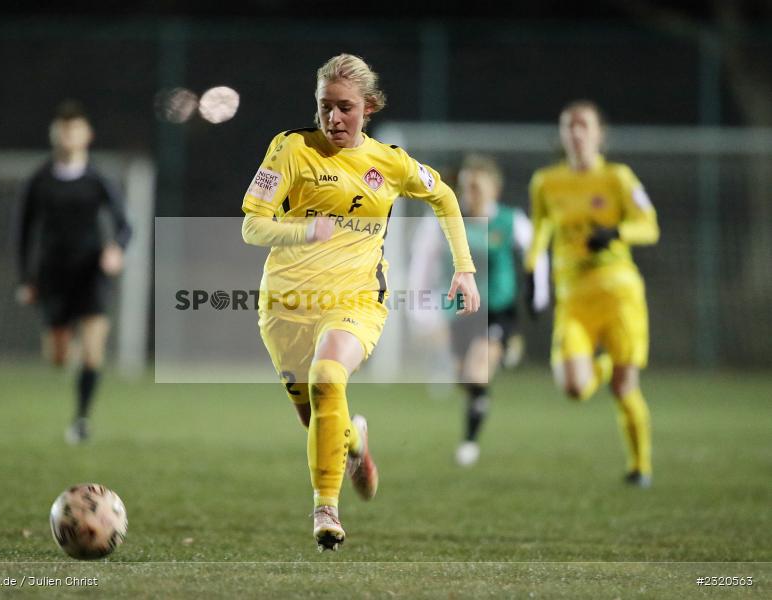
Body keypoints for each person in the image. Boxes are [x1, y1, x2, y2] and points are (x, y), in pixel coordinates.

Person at [241, 54, 480, 550]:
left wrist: (464, 267)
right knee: (318, 419)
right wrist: (305, 230)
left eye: (345, 107)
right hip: (284, 305)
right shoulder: (289, 149)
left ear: (368, 106)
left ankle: (325, 509)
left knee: (329, 378)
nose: (333, 118)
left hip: (355, 299)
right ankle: (355, 442)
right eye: (325, 107)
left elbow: (446, 197)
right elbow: (251, 226)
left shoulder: (389, 162)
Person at [525, 100, 659, 487]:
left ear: (600, 134)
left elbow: (649, 226)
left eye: (584, 125)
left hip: (619, 294)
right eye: (569, 126)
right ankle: (600, 367)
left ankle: (640, 467)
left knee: (624, 387)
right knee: (574, 388)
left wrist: (618, 232)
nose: (576, 132)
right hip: (574, 299)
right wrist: (532, 270)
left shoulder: (619, 177)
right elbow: (540, 230)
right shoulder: (546, 182)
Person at [409, 155, 549, 467]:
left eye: (476, 186)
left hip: (497, 309)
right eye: (465, 186)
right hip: (458, 311)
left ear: (494, 190)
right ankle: (501, 360)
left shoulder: (511, 221)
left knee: (477, 372)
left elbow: (536, 255)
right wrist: (422, 309)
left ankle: (469, 442)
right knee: (465, 378)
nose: (468, 192)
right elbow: (423, 262)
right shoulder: (445, 220)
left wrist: (538, 295)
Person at [16, 100, 131, 445]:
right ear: (54, 135)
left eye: (74, 129)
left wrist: (115, 249)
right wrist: (26, 279)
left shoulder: (97, 178)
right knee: (58, 356)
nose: (68, 136)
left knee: (95, 348)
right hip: (53, 275)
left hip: (91, 272)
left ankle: (81, 419)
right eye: (63, 130)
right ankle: (74, 354)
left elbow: (125, 225)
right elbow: (23, 232)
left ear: (87, 135)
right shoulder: (39, 180)